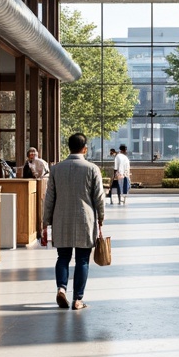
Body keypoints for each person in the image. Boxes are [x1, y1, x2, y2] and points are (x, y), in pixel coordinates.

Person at [43, 132, 104, 311]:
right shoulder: (92, 169)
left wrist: (46, 221)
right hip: (85, 219)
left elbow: (49, 198)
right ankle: (78, 299)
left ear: (68, 147)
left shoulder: (56, 169)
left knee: (63, 257)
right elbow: (99, 197)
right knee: (82, 260)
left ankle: (61, 288)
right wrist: (101, 217)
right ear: (84, 148)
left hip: (61, 219)